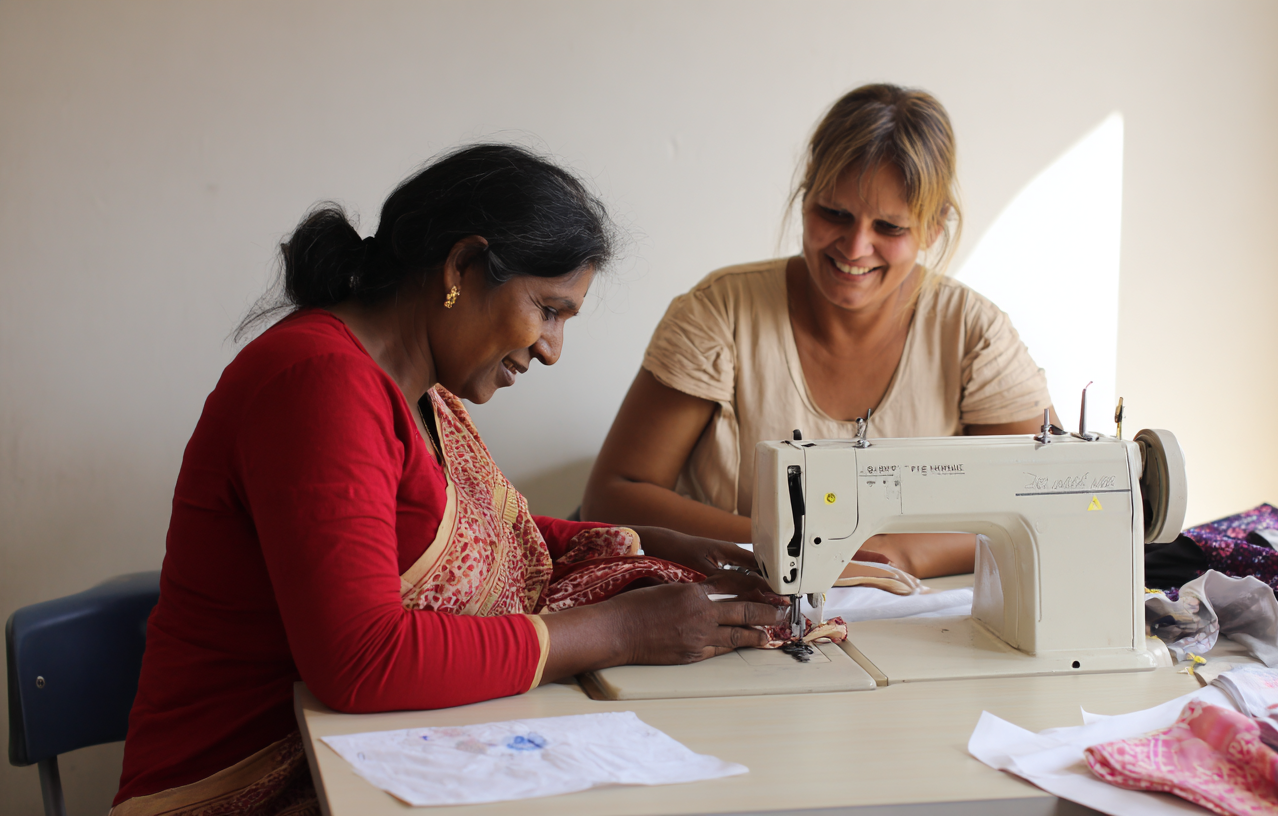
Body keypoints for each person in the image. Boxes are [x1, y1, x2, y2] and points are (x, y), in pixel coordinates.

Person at [113, 144, 784, 816]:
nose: (552, 349)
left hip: (364, 757)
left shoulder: (422, 396)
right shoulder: (319, 384)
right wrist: (623, 631)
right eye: (548, 310)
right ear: (461, 266)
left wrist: (650, 541)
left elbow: (477, 535)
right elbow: (363, 661)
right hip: (244, 789)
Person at [581, 84, 1056, 579]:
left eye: (889, 227)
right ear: (806, 197)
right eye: (835, 214)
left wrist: (897, 555)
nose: (855, 247)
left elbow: (1049, 502)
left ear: (934, 228)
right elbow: (612, 497)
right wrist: (798, 549)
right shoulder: (718, 311)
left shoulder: (976, 334)